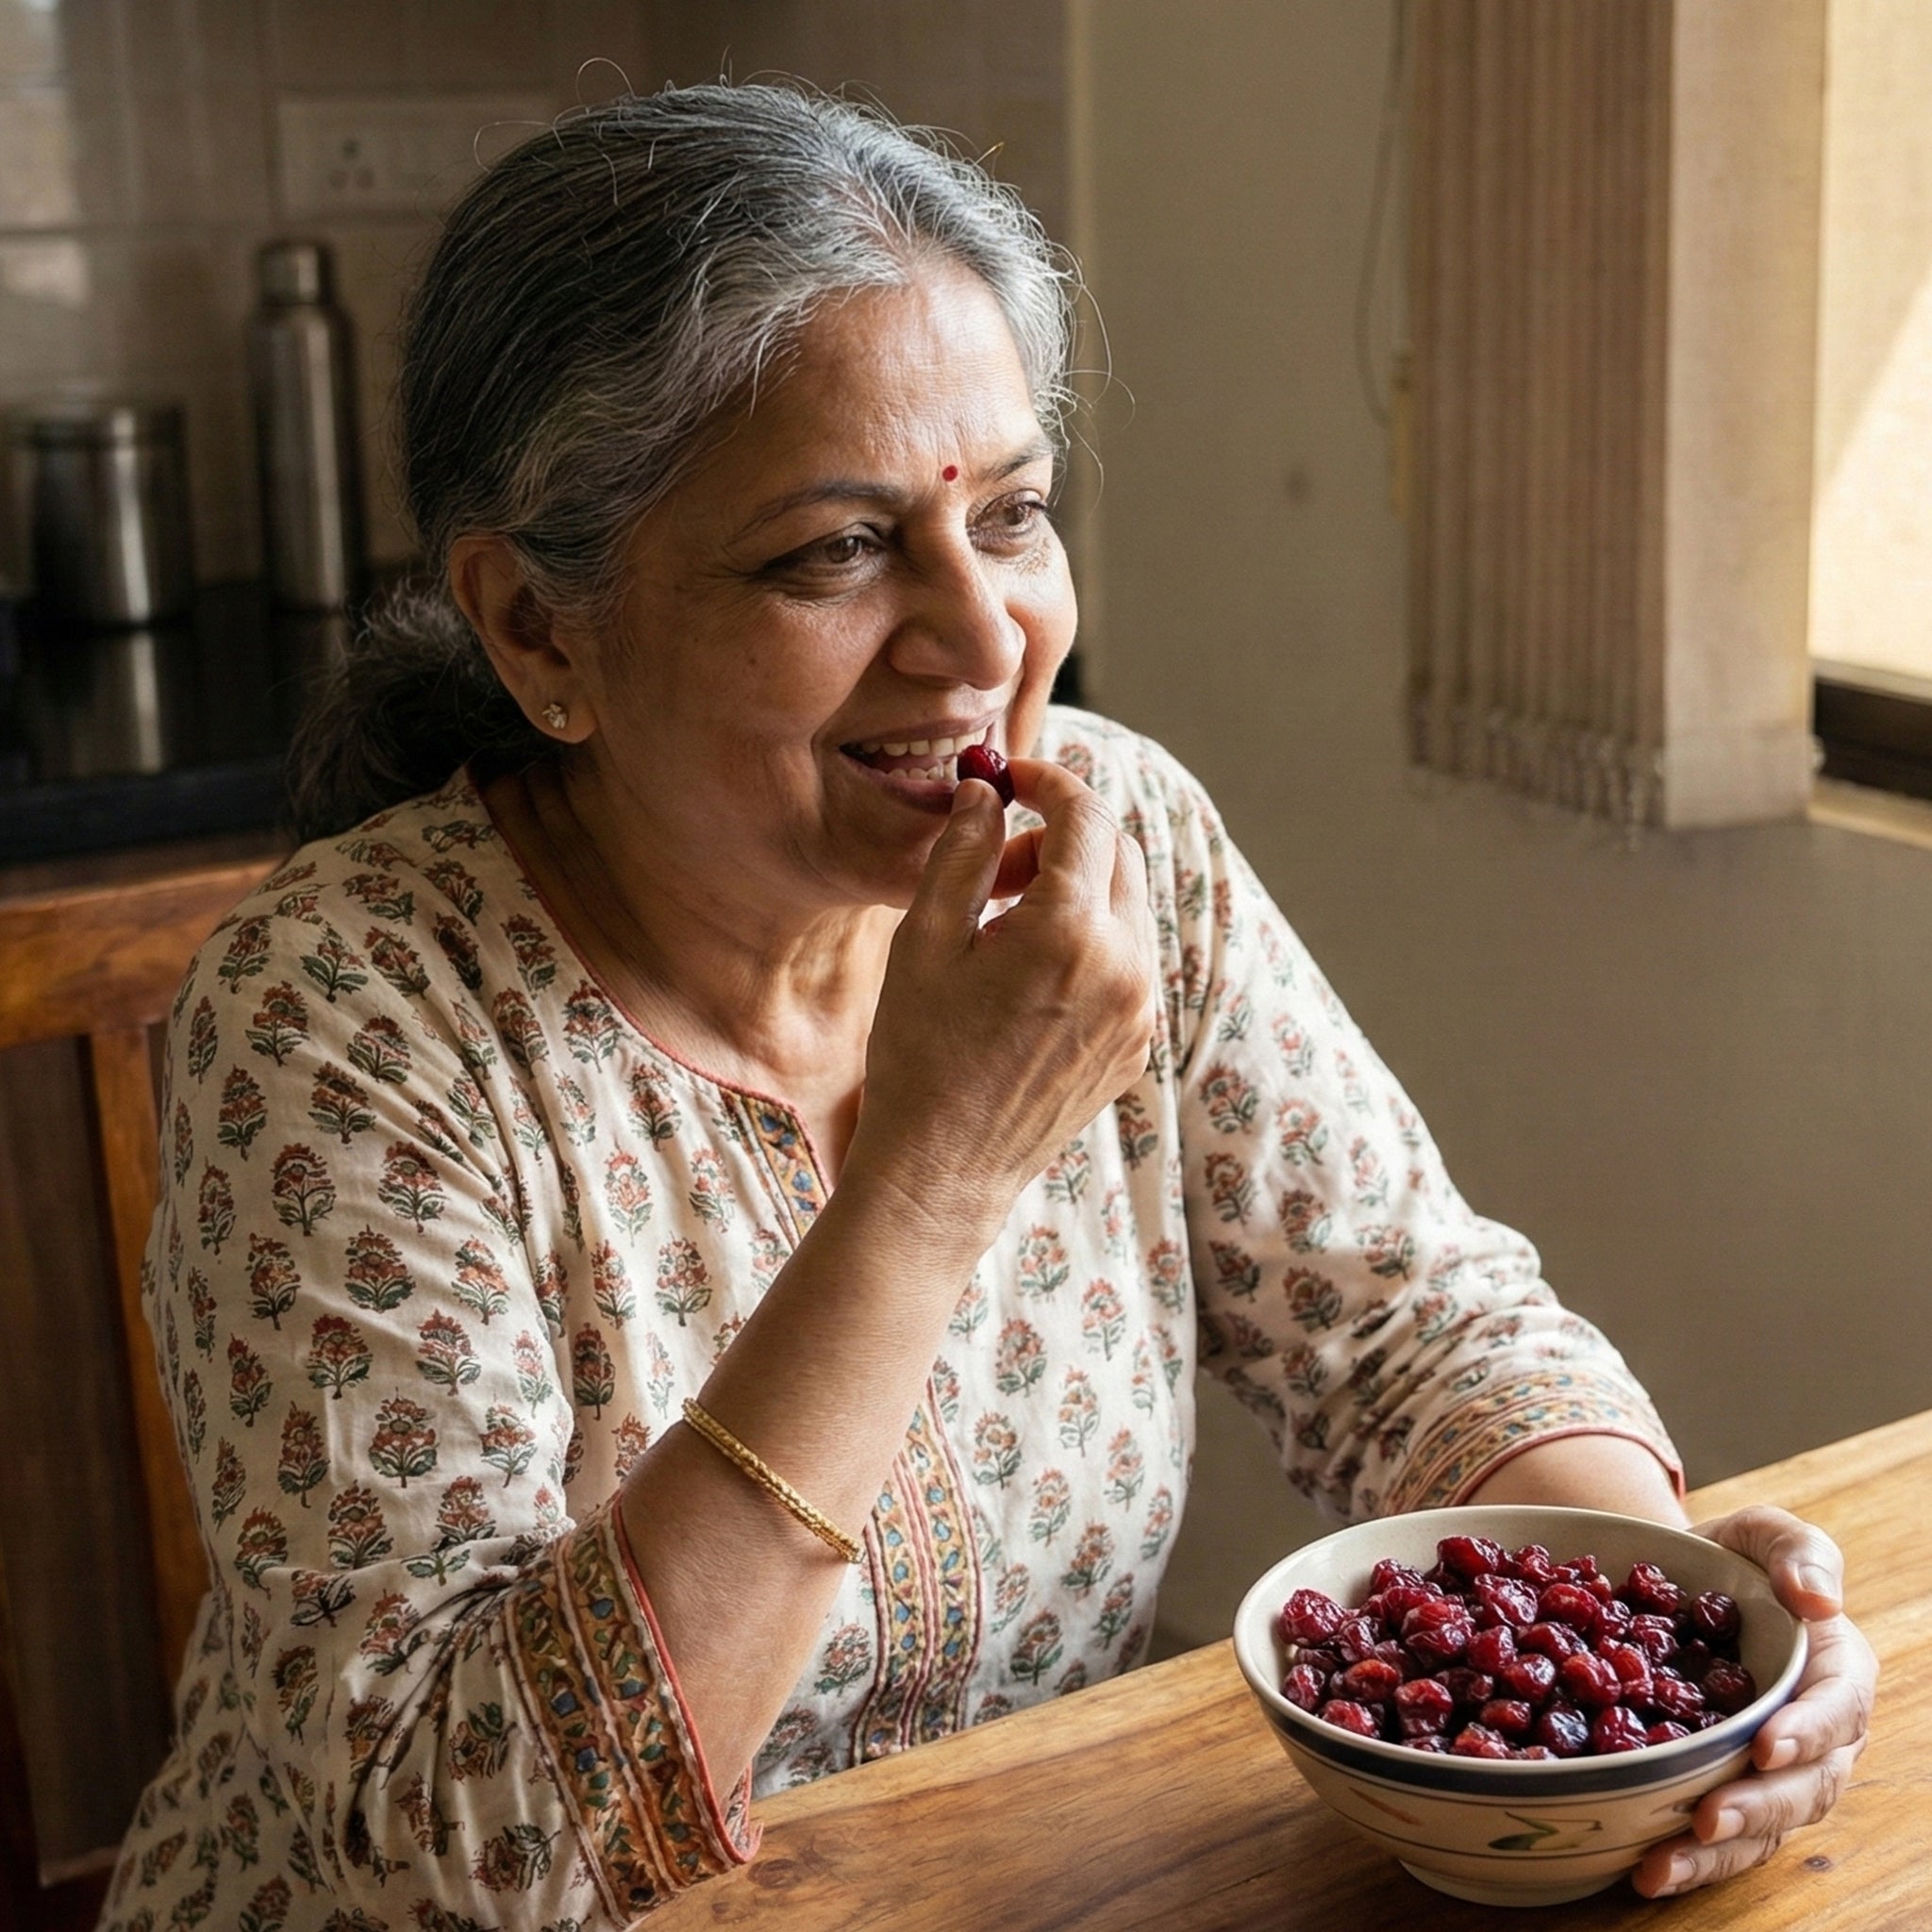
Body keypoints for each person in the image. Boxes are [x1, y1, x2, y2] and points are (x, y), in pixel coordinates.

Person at [99, 83, 1872, 1930]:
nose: (986, 636)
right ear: (542, 630)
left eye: (1012, 515)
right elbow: (475, 1851)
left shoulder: (1121, 845)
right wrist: (933, 1174)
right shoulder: (342, 1024)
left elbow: (1410, 1332)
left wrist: (1671, 1634)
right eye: (835, 551)